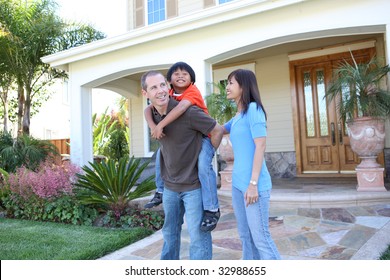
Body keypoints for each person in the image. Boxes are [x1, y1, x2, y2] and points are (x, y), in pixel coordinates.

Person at [141, 70, 223, 260]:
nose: (160, 91)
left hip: (193, 187)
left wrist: (208, 151)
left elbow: (217, 130)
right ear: (146, 94)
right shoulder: (152, 114)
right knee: (169, 235)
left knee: (197, 238)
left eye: (162, 85)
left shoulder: (188, 112)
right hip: (170, 188)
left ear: (168, 86)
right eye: (154, 87)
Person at [223, 69, 281, 260]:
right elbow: (218, 129)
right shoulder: (238, 116)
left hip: (253, 185)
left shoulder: (254, 110)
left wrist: (253, 184)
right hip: (238, 185)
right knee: (245, 237)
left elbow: (260, 145)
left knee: (261, 238)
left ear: (244, 86)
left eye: (231, 82)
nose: (227, 86)